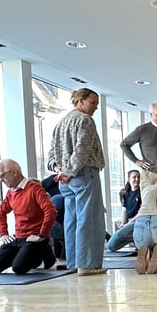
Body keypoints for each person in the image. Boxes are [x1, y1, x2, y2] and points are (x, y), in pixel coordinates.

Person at [47, 87, 106, 276]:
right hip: (84, 174)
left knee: (71, 220)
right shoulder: (85, 120)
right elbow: (82, 149)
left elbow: (51, 154)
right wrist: (69, 172)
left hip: (65, 180)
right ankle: (87, 264)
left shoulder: (61, 122)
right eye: (92, 102)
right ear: (80, 101)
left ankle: (73, 262)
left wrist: (59, 170)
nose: (95, 107)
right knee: (89, 219)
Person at [0, 159, 57, 275]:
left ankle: (45, 250)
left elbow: (51, 211)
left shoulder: (34, 188)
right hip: (18, 238)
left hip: (34, 237)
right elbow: (1, 212)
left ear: (14, 172)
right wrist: (3, 233)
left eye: (3, 176)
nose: (1, 180)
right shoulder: (10, 193)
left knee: (18, 268)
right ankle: (26, 254)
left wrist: (42, 235)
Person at [121, 101, 157, 186]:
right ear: (151, 114)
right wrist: (136, 161)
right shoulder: (142, 129)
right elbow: (124, 144)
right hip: (149, 175)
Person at [105, 169, 141, 252]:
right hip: (129, 222)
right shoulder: (126, 194)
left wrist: (130, 222)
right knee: (111, 246)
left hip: (137, 222)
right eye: (134, 177)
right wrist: (123, 224)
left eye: (138, 177)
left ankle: (135, 238)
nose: (137, 179)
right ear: (129, 179)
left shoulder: (142, 193)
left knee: (110, 245)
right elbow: (124, 210)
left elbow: (142, 212)